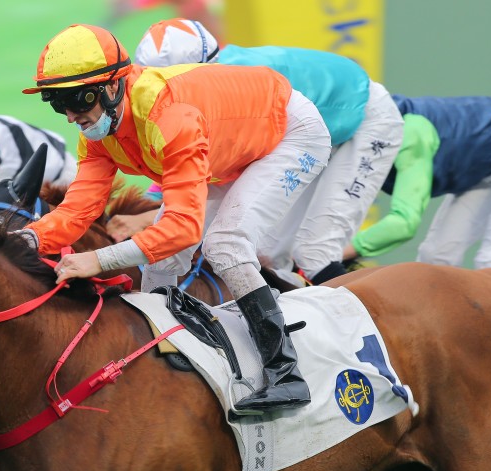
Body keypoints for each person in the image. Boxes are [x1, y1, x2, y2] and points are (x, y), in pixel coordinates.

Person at [15, 24, 333, 413]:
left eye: (78, 101)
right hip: (225, 144)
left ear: (113, 87)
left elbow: (183, 228)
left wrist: (96, 260)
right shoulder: (98, 133)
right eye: (58, 103)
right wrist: (27, 240)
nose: (70, 116)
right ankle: (163, 357)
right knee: (162, 260)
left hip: (290, 132)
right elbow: (79, 209)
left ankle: (286, 374)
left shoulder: (169, 117)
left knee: (225, 244)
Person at [123, 18, 405, 285]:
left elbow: (196, 177)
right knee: (266, 254)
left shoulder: (229, 86)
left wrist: (148, 216)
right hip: (312, 131)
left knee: (315, 251)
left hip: (366, 121)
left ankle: (366, 325)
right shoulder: (202, 85)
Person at [343, 94, 491, 269]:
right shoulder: (362, 135)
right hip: (480, 166)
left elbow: (404, 223)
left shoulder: (410, 134)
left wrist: (342, 253)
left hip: (483, 158)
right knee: (436, 258)